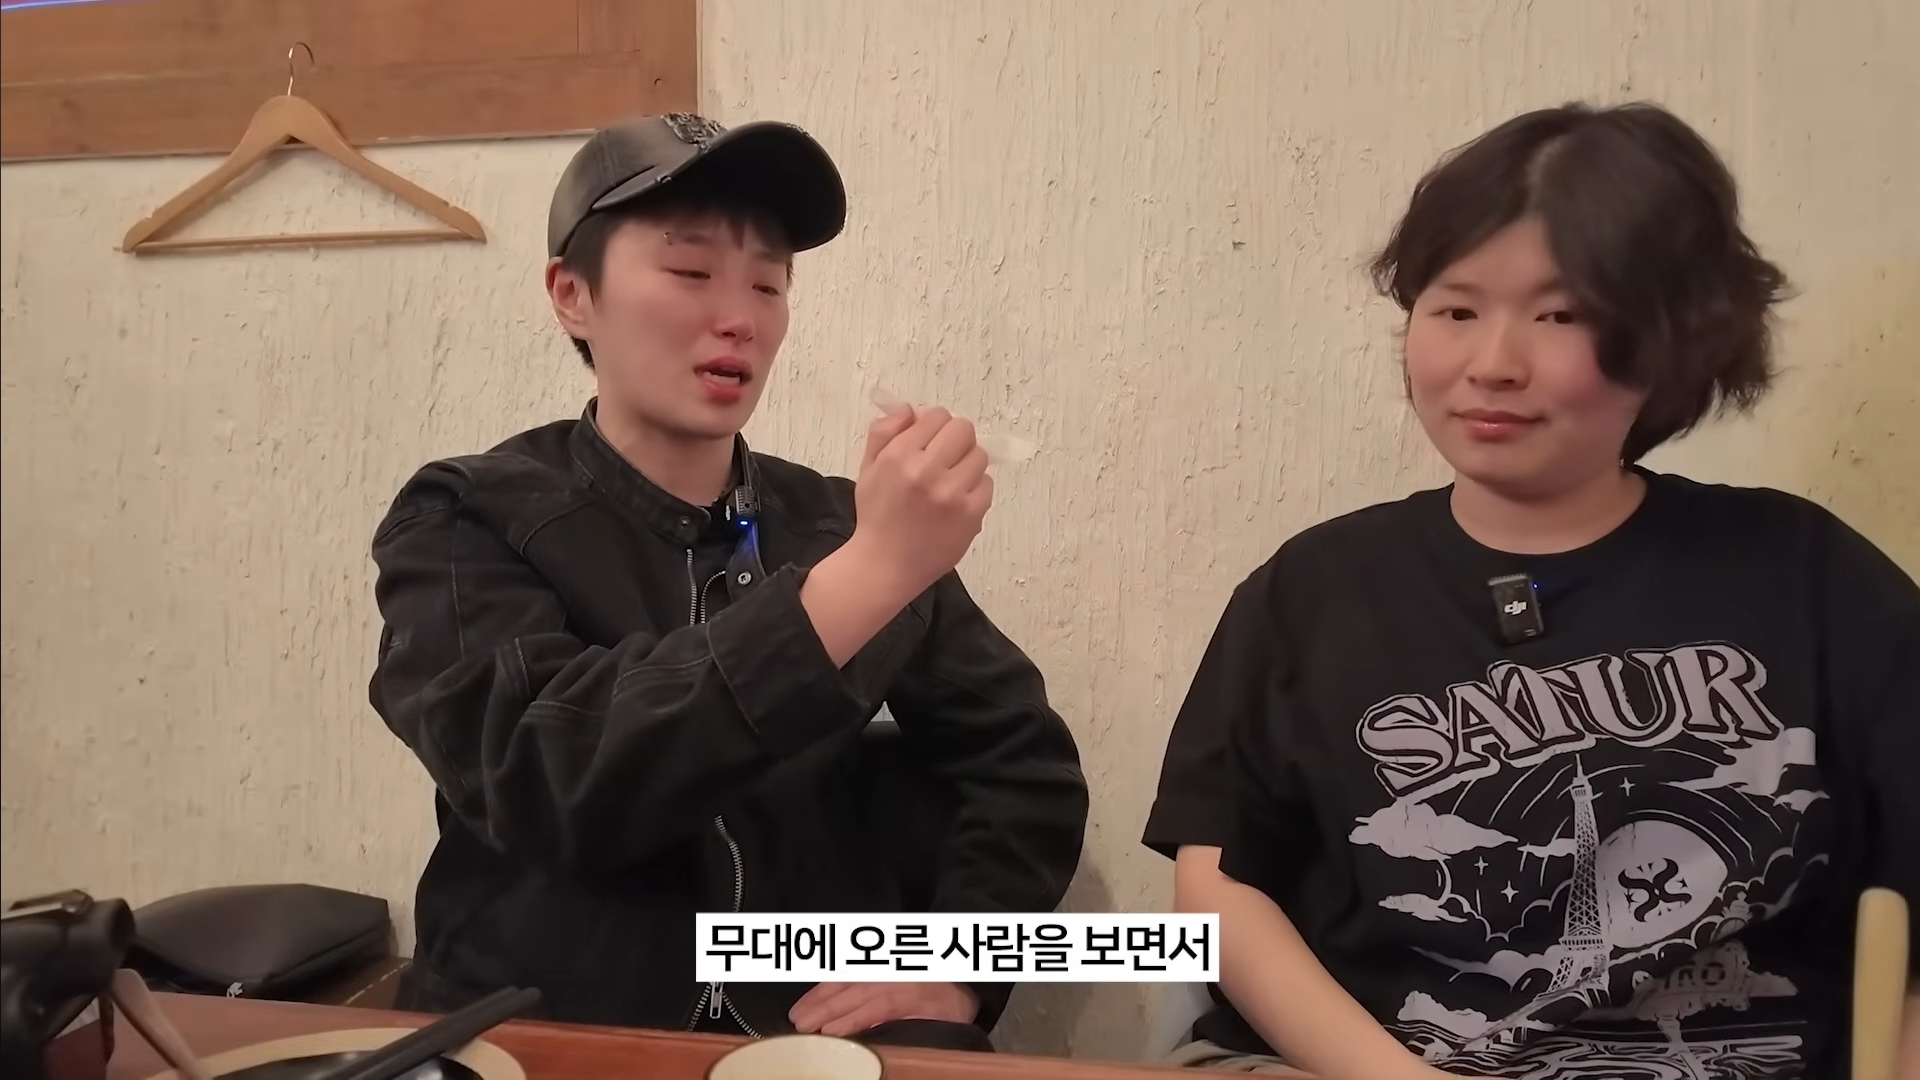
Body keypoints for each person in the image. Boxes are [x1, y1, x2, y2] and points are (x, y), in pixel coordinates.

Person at [1144, 101, 1918, 1078]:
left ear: (1674, 336)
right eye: (1456, 311)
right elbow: (1218, 893)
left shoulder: (1808, 574)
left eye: (1561, 316)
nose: (1493, 365)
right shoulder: (1312, 592)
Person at [368, 113, 1089, 1048]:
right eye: (689, 271)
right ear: (572, 295)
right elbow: (551, 781)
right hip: (542, 1033)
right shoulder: (468, 513)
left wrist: (957, 965)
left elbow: (1022, 766)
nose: (741, 317)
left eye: (768, 282)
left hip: (807, 1039)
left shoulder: (839, 522)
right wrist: (865, 576)